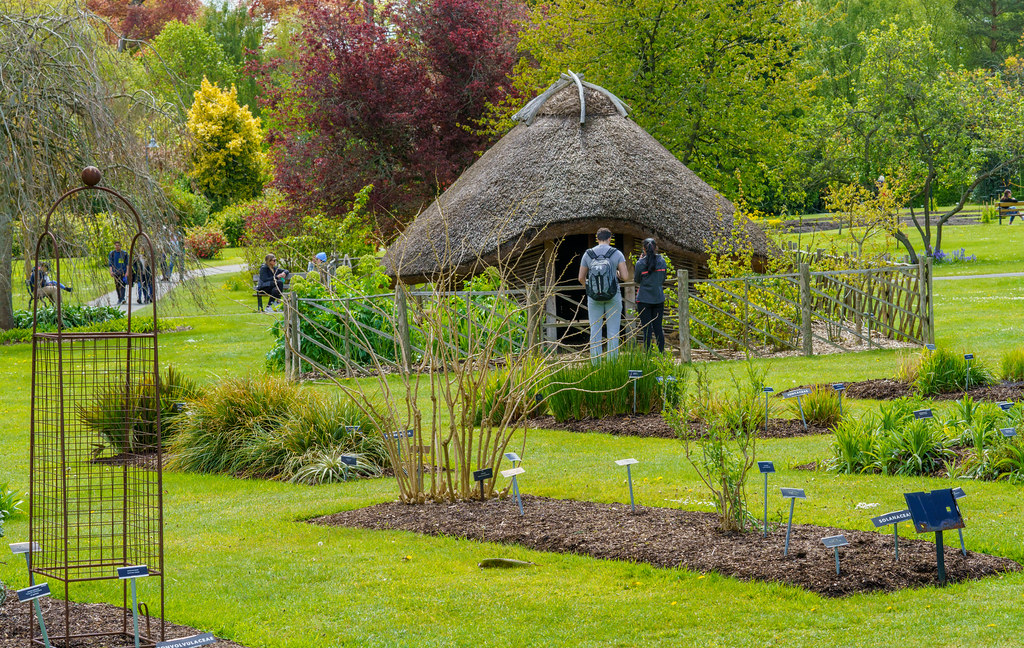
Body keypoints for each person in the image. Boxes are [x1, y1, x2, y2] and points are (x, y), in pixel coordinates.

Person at [578, 228, 628, 362]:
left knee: (595, 331)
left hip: (594, 298)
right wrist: (616, 274)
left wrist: (590, 289)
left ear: (597, 238)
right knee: (613, 332)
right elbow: (625, 276)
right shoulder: (617, 253)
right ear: (610, 238)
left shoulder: (588, 254)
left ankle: (596, 364)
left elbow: (581, 278)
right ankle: (612, 364)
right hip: (613, 296)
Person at [634, 238, 668, 352]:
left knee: (647, 330)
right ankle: (661, 355)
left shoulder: (640, 264)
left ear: (644, 249)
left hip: (643, 299)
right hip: (658, 298)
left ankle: (647, 357)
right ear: (656, 248)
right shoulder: (662, 261)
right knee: (658, 328)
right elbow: (663, 279)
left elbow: (637, 280)